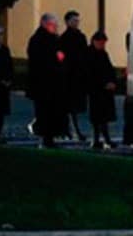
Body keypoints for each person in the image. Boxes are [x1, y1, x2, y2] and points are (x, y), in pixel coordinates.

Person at [26, 13, 68, 147]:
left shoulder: (54, 39)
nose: (55, 27)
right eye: (52, 25)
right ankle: (46, 138)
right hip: (43, 84)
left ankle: (51, 137)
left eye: (56, 25)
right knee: (44, 112)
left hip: (55, 84)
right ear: (44, 24)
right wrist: (57, 58)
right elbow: (39, 61)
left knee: (54, 112)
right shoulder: (38, 39)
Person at [84, 30, 118, 149]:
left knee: (103, 117)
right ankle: (97, 139)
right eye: (101, 42)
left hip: (104, 90)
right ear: (95, 41)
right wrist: (104, 84)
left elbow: (109, 69)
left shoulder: (103, 54)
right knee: (97, 117)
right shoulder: (89, 54)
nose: (103, 45)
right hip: (96, 90)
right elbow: (90, 73)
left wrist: (112, 82)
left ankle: (104, 139)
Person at [60, 9, 89, 141]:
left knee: (75, 107)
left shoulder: (81, 37)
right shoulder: (63, 39)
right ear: (67, 22)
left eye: (78, 21)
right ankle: (70, 130)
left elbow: (85, 54)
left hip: (79, 76)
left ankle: (71, 130)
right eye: (74, 20)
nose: (77, 23)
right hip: (68, 76)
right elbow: (60, 56)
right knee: (68, 107)